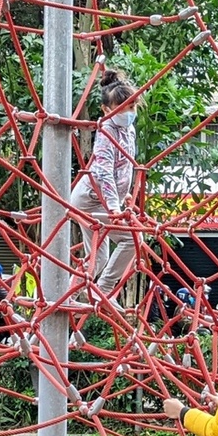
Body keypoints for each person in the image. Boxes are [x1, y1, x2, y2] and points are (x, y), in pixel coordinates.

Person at [70, 69, 141, 305]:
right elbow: (103, 172)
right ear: (106, 110)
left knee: (98, 258)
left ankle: (72, 293)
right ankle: (105, 289)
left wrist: (124, 195)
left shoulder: (128, 130)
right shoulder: (106, 131)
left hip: (102, 199)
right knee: (133, 239)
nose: (129, 113)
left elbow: (124, 167)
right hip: (91, 199)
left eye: (132, 107)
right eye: (122, 109)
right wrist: (113, 206)